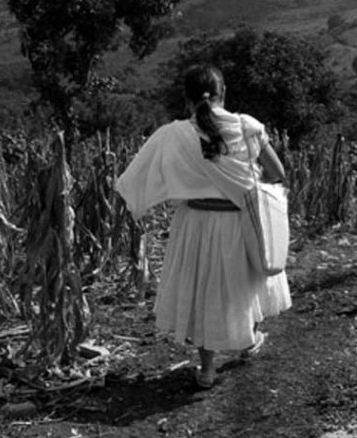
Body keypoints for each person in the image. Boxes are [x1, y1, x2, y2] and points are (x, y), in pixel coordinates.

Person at [115, 64, 291, 389]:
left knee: (202, 290)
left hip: (195, 223)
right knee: (240, 284)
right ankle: (247, 341)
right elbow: (277, 171)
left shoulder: (174, 133)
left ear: (188, 98)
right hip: (239, 221)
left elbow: (135, 177)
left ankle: (207, 369)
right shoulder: (247, 127)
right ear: (223, 92)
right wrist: (246, 185)